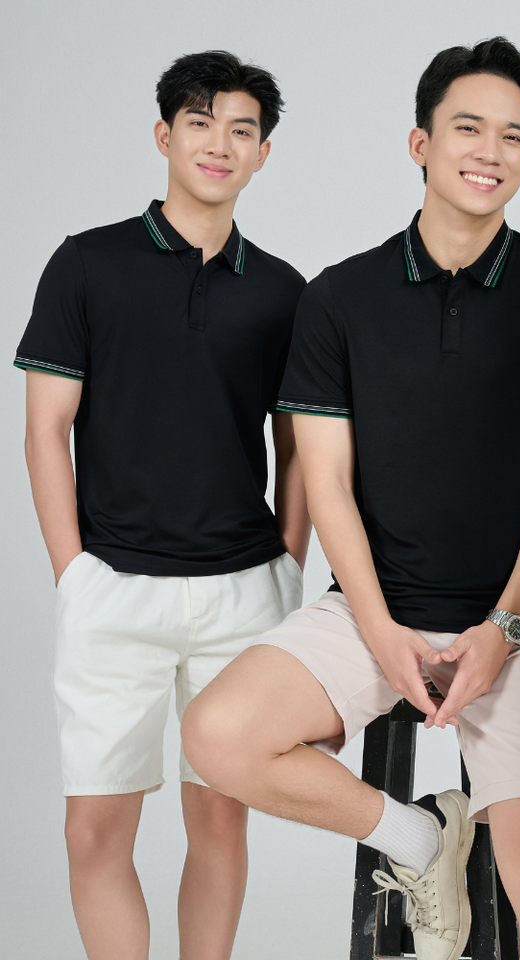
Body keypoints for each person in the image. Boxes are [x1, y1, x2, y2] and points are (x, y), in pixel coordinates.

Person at [182, 37, 520, 960]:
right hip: (373, 612)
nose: (491, 152)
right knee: (217, 735)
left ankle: (463, 809)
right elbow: (329, 487)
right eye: (469, 128)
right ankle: (420, 839)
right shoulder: (340, 298)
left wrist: (502, 629)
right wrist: (379, 631)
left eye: (514, 136)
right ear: (421, 144)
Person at [16, 50, 310, 960]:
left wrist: (289, 564)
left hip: (243, 593)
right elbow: (45, 430)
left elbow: (298, 447)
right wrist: (73, 574)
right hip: (114, 588)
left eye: (241, 130)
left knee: (220, 821)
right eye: (200, 123)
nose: (219, 144)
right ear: (164, 135)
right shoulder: (87, 264)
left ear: (263, 153)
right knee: (93, 831)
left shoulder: (284, 291)